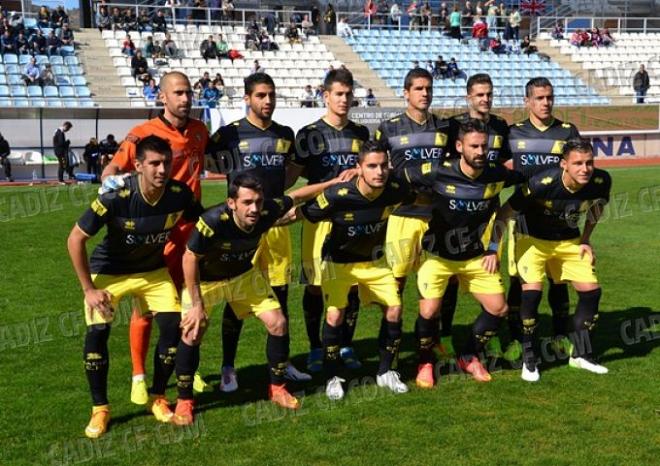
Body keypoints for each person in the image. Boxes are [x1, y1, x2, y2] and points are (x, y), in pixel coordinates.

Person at [67, 135, 203, 438]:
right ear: (138, 165)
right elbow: (75, 239)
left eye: (166, 162)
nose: (161, 169)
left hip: (153, 272)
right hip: (110, 271)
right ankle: (100, 409)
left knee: (172, 328)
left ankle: (158, 397)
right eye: (154, 163)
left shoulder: (179, 194)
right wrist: (88, 289)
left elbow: (203, 221)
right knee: (98, 332)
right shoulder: (116, 196)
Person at [182, 175, 344, 416]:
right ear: (231, 203)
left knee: (278, 323)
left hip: (243, 276)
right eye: (247, 202)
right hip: (208, 281)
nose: (254, 208)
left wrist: (332, 184)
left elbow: (298, 195)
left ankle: (277, 388)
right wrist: (196, 304)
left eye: (258, 201)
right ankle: (185, 400)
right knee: (193, 331)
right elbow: (190, 257)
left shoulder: (267, 210)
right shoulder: (212, 220)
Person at [100, 72, 210, 404]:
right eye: (178, 92)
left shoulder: (200, 131)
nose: (186, 98)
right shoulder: (142, 134)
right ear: (162, 97)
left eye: (189, 92)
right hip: (154, 233)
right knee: (146, 308)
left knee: (187, 305)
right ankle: (138, 375)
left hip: (189, 232)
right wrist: (118, 192)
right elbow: (110, 174)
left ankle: (185, 365)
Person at [208, 73, 311, 391]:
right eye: (261, 96)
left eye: (271, 95)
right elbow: (211, 162)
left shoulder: (285, 133)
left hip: (276, 226)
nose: (267, 101)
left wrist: (281, 195)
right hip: (240, 228)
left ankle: (282, 364)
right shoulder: (229, 133)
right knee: (236, 295)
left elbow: (293, 169)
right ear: (247, 98)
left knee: (279, 295)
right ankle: (228, 366)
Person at [407, 119, 524, 388]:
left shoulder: (497, 174)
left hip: (474, 256)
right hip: (437, 256)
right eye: (474, 146)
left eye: (484, 146)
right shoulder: (438, 171)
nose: (480, 151)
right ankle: (425, 361)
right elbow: (400, 177)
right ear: (459, 146)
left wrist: (494, 247)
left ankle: (469, 355)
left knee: (499, 308)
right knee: (429, 311)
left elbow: (528, 180)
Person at [302, 141, 414, 400]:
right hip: (337, 263)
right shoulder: (338, 195)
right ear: (359, 168)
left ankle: (386, 372)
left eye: (384, 165)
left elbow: (416, 196)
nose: (379, 172)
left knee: (395, 309)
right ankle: (332, 377)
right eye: (372, 166)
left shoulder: (396, 189)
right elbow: (305, 213)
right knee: (334, 317)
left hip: (375, 263)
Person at [492, 140, 611, 381]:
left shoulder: (601, 180)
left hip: (568, 241)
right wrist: (493, 247)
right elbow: (505, 212)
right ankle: (530, 359)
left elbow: (597, 208)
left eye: (589, 163)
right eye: (578, 163)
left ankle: (580, 355)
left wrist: (586, 239)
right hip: (531, 239)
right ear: (564, 164)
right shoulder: (541, 183)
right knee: (532, 293)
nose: (585, 169)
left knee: (591, 292)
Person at [291, 69, 370, 372]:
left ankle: (346, 345)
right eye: (338, 93)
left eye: (349, 94)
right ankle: (314, 347)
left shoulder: (361, 134)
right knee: (313, 285)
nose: (344, 99)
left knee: (349, 286)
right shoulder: (309, 134)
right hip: (317, 219)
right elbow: (292, 176)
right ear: (325, 96)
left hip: (353, 220)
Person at [506, 77, 581, 362]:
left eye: (549, 97)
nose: (546, 102)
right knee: (519, 280)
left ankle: (561, 335)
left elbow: (577, 169)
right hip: (524, 219)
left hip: (561, 219)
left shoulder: (567, 131)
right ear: (527, 101)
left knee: (559, 281)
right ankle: (516, 337)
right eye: (539, 98)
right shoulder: (514, 133)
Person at [438, 73, 512, 360]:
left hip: (489, 208)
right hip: (457, 208)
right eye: (480, 94)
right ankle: (444, 333)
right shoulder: (453, 125)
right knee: (451, 276)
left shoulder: (500, 126)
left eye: (489, 94)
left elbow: (504, 161)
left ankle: (488, 334)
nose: (485, 99)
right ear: (468, 96)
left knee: (490, 269)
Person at [375, 68, 451, 294]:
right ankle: (392, 329)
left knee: (438, 280)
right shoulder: (388, 128)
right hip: (403, 213)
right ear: (406, 93)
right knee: (396, 280)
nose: (425, 93)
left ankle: (436, 329)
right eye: (419, 88)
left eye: (429, 89)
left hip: (438, 213)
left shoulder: (446, 127)